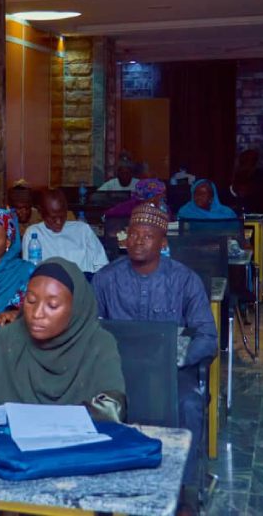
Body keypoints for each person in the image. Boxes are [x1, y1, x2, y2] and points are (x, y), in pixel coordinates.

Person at [92, 203, 217, 491]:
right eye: (133, 234)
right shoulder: (106, 279)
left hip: (170, 372)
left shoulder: (184, 280)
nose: (138, 241)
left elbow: (207, 336)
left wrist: (177, 358)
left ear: (163, 243)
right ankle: (106, 487)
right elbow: (89, 329)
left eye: (148, 236)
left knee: (190, 404)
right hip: (119, 372)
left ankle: (185, 489)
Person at [0, 258, 126, 423]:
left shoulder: (98, 343)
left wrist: (39, 420)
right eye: (31, 301)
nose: (37, 314)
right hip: (8, 451)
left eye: (52, 305)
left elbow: (113, 410)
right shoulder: (3, 341)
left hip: (78, 452)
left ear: (76, 308)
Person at [22, 189, 109, 274]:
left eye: (62, 216)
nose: (58, 222)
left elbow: (102, 265)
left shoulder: (83, 230)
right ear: (41, 213)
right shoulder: (34, 233)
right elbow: (29, 270)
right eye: (53, 218)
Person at [105, 178, 170, 219]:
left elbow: (169, 220)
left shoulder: (163, 207)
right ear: (150, 197)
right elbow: (107, 215)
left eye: (163, 194)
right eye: (159, 195)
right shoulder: (129, 206)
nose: (163, 196)